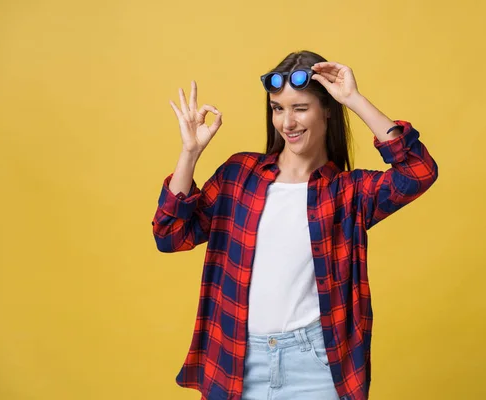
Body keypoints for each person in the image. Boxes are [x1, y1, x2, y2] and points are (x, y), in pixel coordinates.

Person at [152, 50, 438, 400]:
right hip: (238, 364)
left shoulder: (347, 193)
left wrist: (353, 99)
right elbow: (169, 235)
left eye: (300, 108)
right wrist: (189, 154)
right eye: (278, 108)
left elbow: (418, 171)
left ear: (327, 111)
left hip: (316, 366)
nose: (287, 122)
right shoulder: (239, 176)